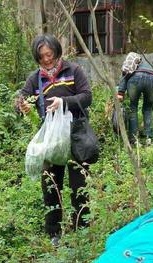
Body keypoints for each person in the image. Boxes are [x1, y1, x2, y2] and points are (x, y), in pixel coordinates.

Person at [16, 34, 94, 246]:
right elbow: (21, 98)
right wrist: (22, 106)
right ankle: (54, 234)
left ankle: (83, 229)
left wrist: (64, 101)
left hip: (75, 134)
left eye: (49, 55)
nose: (47, 60)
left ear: (57, 52)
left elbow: (87, 97)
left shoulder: (73, 71)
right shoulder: (35, 79)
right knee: (51, 186)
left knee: (80, 185)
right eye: (41, 57)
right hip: (51, 138)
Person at [117, 53, 153, 146]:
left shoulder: (130, 61)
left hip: (135, 79)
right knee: (148, 110)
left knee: (133, 109)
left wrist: (121, 92)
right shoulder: (149, 63)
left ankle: (134, 140)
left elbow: (125, 73)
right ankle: (149, 138)